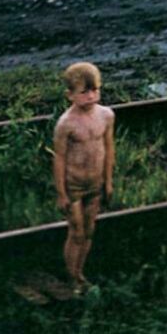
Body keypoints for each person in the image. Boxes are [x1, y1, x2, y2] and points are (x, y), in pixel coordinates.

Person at [52, 62, 115, 292]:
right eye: (84, 92)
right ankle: (71, 276)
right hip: (74, 185)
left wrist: (108, 181)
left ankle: (80, 273)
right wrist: (61, 193)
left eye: (95, 90)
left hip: (95, 183)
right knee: (76, 231)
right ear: (70, 95)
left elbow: (109, 149)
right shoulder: (65, 124)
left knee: (89, 229)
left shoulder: (106, 115)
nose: (91, 96)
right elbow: (58, 159)